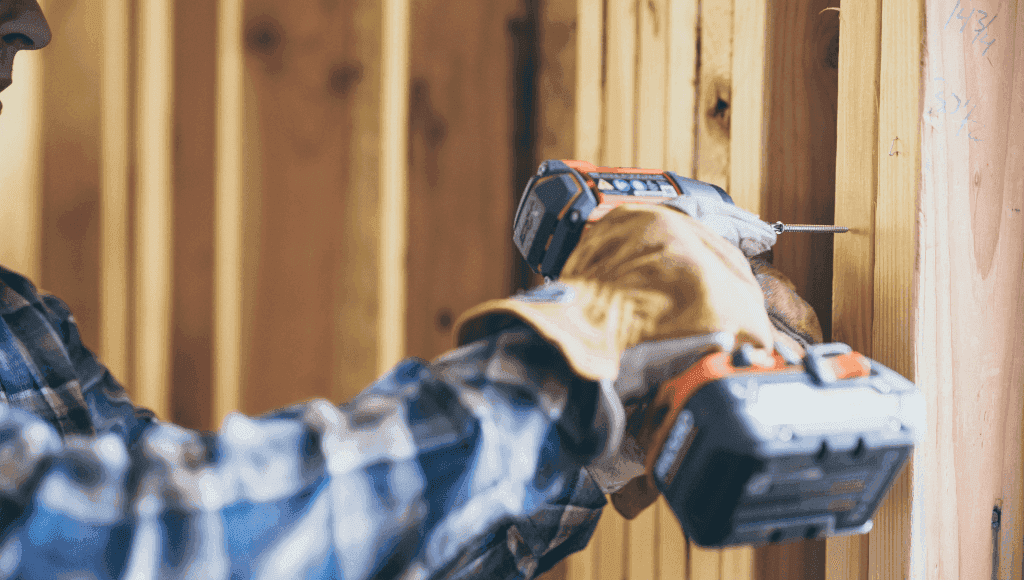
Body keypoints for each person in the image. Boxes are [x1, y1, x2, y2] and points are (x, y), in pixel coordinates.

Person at [0, 1, 823, 578]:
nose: (34, 23)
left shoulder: (19, 326)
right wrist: (585, 349)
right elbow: (130, 552)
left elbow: (292, 554)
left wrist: (614, 409)